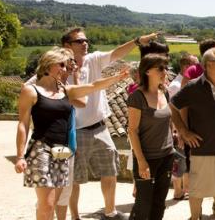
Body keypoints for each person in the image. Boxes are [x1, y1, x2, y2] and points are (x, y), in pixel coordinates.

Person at [14, 47, 129, 220]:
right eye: (61, 64)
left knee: (56, 201)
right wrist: (20, 156)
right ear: (48, 65)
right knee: (47, 204)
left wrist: (117, 78)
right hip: (41, 149)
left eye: (66, 65)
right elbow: (22, 124)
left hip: (63, 151)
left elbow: (92, 86)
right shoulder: (31, 91)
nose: (64, 69)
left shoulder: (66, 91)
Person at [62, 27, 159, 220]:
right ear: (67, 45)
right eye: (79, 41)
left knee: (110, 170)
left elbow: (117, 53)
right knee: (74, 178)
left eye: (86, 40)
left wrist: (138, 40)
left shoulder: (94, 59)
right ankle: (74, 217)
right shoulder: (60, 67)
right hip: (75, 130)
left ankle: (110, 211)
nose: (85, 43)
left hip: (100, 127)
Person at [170, 47, 215, 220]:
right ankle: (195, 217)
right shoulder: (193, 86)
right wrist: (183, 131)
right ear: (209, 64)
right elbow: (172, 107)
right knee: (197, 190)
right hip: (200, 148)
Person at [127, 54, 175, 219]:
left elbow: (167, 123)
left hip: (167, 156)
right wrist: (141, 162)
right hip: (147, 158)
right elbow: (132, 130)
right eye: (160, 68)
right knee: (143, 204)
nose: (165, 71)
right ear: (147, 71)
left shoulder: (165, 93)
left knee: (159, 203)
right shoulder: (137, 97)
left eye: (165, 68)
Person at [167, 53, 199, 201]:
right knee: (179, 162)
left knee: (182, 161)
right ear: (186, 67)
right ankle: (177, 192)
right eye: (195, 64)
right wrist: (179, 131)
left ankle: (183, 190)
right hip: (178, 130)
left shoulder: (183, 82)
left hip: (181, 129)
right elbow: (176, 110)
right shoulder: (176, 85)